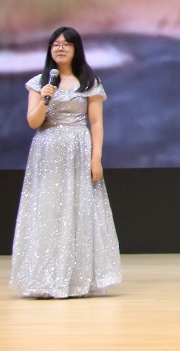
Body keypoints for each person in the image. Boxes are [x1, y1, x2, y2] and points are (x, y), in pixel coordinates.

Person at [10, 27, 122, 299]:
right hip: (47, 151)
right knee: (48, 209)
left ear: (76, 49)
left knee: (77, 208)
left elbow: (96, 123)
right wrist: (45, 99)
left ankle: (76, 279)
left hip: (78, 149)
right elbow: (33, 122)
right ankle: (44, 278)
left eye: (66, 44)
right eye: (56, 44)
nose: (60, 49)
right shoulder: (39, 83)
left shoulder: (88, 82)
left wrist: (96, 158)